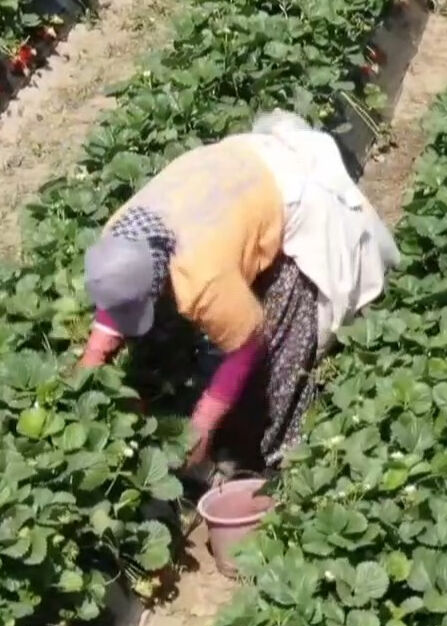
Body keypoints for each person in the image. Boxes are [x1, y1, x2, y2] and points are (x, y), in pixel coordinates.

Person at [79, 111, 399, 471]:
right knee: (170, 332)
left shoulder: (202, 277)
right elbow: (119, 283)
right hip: (232, 176)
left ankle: (269, 460)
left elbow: (249, 344)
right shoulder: (120, 234)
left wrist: (202, 425)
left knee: (280, 350)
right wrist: (93, 359)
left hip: (291, 201)